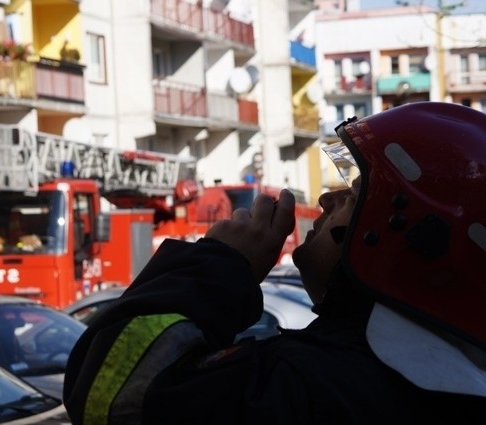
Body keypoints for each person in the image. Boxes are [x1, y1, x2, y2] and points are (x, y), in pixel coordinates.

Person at [63, 102, 486, 424]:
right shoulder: (428, 380)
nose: (326, 199)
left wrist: (219, 263)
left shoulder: (312, 389)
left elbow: (111, 392)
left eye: (354, 196)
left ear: (406, 235)